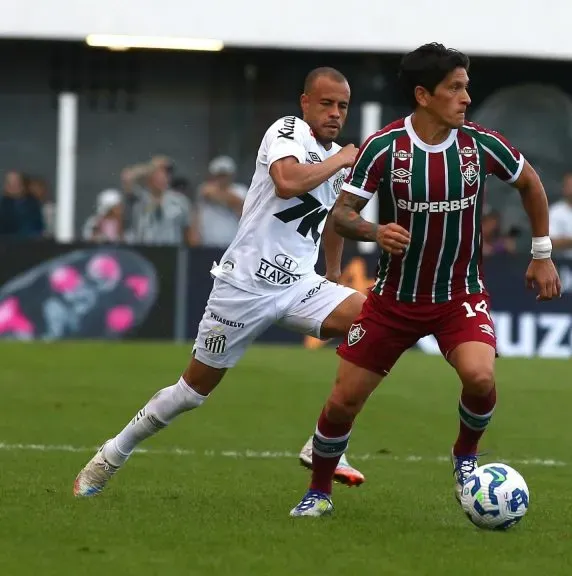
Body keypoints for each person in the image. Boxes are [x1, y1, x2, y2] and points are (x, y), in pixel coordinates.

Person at [288, 43, 562, 517]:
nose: (465, 98)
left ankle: (465, 458)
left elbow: (530, 183)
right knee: (342, 401)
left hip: (459, 296)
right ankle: (318, 493)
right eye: (454, 88)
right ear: (423, 94)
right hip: (394, 300)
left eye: (466, 87)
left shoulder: (480, 143)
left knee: (479, 375)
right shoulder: (384, 147)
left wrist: (542, 253)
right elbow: (342, 215)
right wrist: (375, 231)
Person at [73, 67, 369, 497]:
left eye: (342, 106)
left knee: (377, 322)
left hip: (299, 286)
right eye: (326, 103)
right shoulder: (287, 131)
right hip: (244, 286)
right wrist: (341, 159)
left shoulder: (336, 160)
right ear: (305, 102)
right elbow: (286, 184)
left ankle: (326, 440)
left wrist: (335, 271)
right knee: (191, 393)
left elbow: (335, 218)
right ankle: (111, 455)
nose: (335, 113)